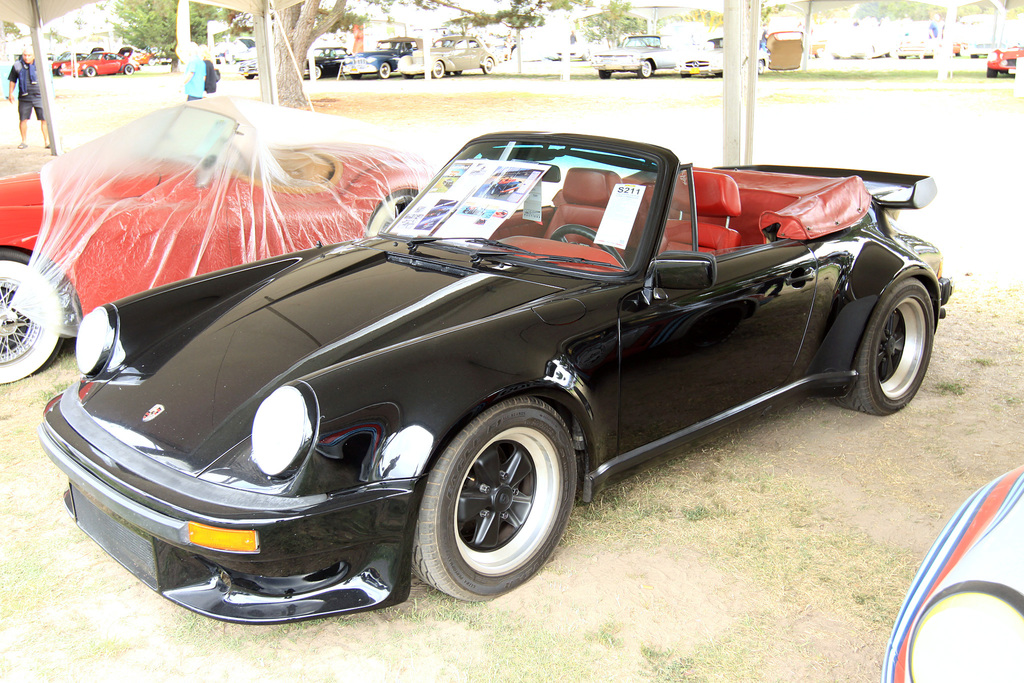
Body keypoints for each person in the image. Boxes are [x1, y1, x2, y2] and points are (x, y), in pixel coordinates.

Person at [7, 47, 49, 150]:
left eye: (29, 55)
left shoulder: (40, 65)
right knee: (23, 119)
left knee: (44, 119)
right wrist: (10, 93)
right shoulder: (17, 66)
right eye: (25, 55)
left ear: (34, 55)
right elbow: (12, 80)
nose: (26, 57)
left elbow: (46, 79)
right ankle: (24, 141)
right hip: (24, 97)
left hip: (39, 96)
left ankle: (47, 141)